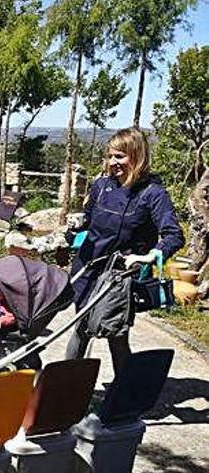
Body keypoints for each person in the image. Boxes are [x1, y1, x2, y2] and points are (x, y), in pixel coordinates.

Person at [65, 127, 184, 377]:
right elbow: (89, 220)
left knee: (115, 333)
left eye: (120, 157)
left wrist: (150, 255)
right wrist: (77, 227)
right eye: (110, 156)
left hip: (118, 277)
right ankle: (65, 393)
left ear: (137, 156)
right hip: (88, 268)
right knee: (81, 328)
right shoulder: (101, 186)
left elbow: (174, 235)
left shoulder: (153, 194)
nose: (113, 163)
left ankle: (123, 399)